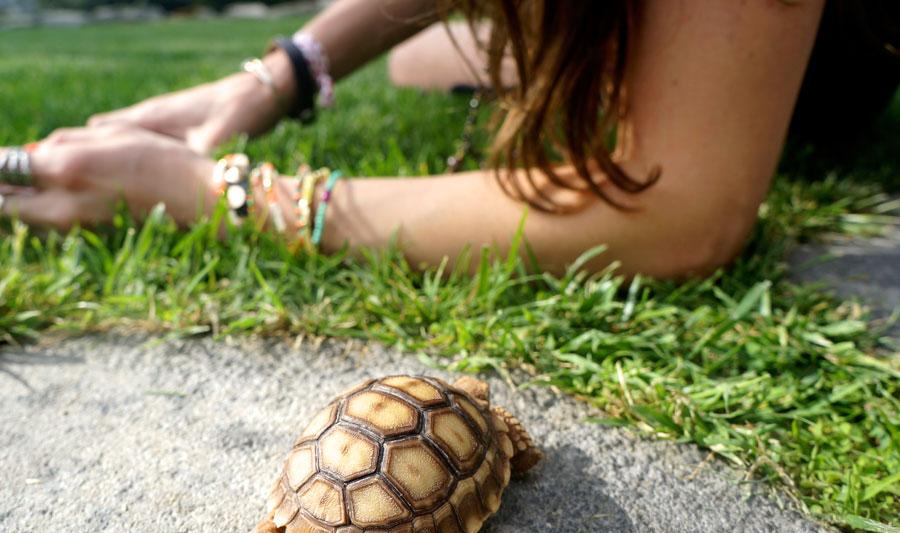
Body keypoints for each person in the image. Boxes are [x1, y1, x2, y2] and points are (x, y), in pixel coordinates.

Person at [0, 0, 896, 278]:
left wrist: (224, 195)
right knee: (418, 65)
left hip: (820, 59)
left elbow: (672, 208)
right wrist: (280, 74)